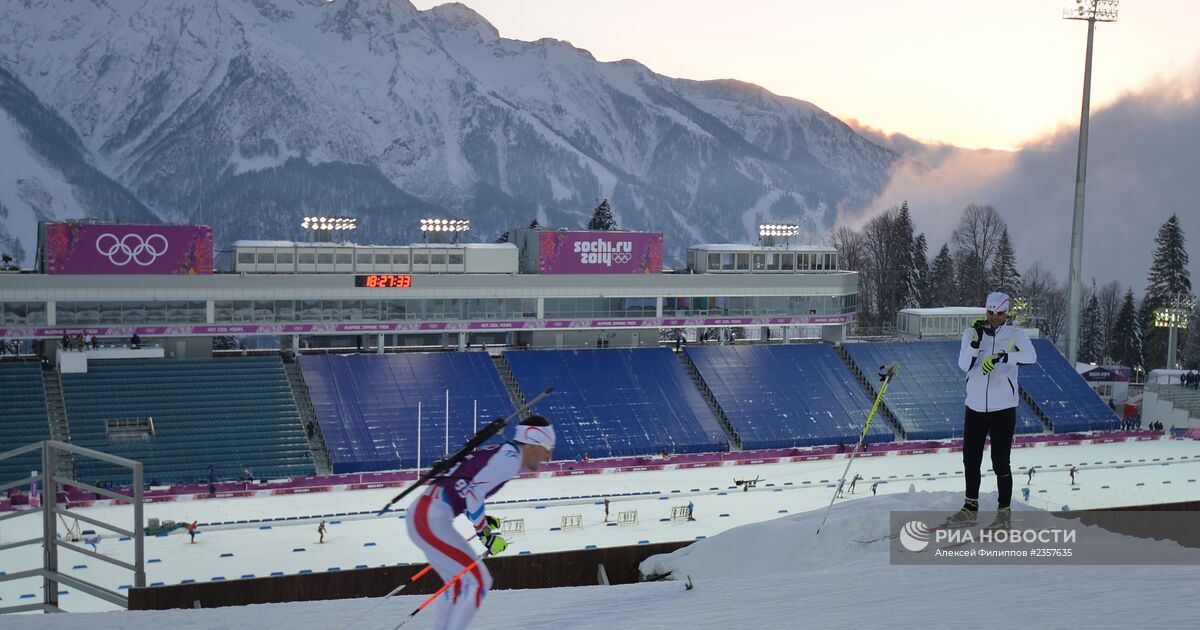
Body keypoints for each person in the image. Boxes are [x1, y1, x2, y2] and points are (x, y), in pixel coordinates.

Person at [407, 415, 555, 630]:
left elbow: (464, 488)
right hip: (432, 517)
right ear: (533, 446)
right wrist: (485, 534)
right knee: (479, 582)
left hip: (423, 513)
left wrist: (484, 520)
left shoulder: (504, 451)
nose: (548, 456)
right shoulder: (510, 459)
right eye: (547, 448)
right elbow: (474, 494)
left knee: (457, 586)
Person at [945, 292, 1037, 531]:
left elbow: (1031, 356)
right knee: (971, 459)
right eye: (990, 313)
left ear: (1007, 313)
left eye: (1000, 314)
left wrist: (1005, 357)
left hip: (1003, 408)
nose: (994, 318)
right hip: (975, 406)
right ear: (985, 311)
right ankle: (970, 507)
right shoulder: (970, 334)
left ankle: (1004, 512)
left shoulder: (1015, 334)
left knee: (1000, 462)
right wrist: (975, 345)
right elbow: (963, 365)